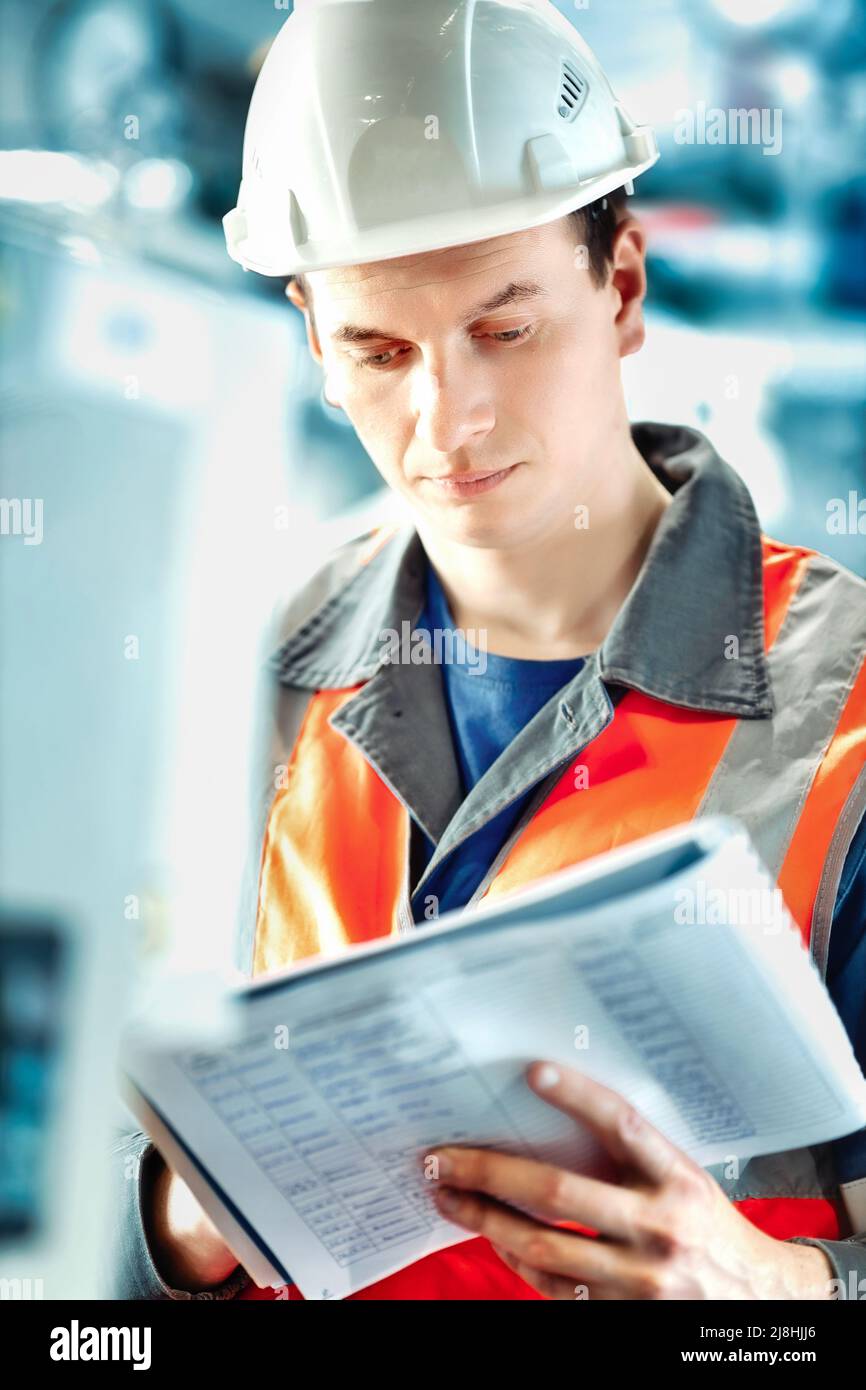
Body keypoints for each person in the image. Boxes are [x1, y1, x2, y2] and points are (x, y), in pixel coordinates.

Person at [112, 0, 866, 1300]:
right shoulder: (255, 665)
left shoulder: (840, 713)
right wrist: (181, 1217)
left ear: (621, 285)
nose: (443, 418)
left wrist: (769, 1291)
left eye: (503, 330)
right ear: (311, 339)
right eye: (377, 349)